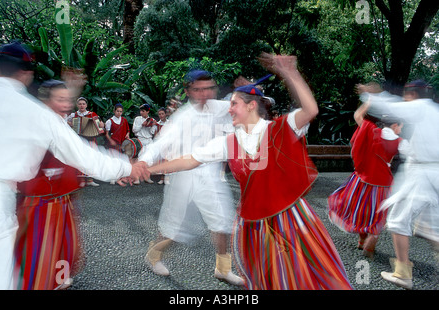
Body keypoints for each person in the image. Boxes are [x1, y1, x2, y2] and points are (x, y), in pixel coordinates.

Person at [144, 53, 353, 290]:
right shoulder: (228, 141)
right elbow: (190, 159)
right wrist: (147, 168)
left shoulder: (279, 129)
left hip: (289, 220)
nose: (228, 108)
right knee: (268, 279)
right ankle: (164, 257)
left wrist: (289, 73)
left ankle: (222, 269)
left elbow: (310, 109)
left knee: (302, 277)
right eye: (229, 103)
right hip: (252, 226)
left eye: (233, 104)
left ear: (251, 106)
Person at [0, 41, 142, 290]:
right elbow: (83, 155)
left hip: (57, 200)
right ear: (27, 74)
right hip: (25, 202)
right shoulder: (36, 114)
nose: (66, 103)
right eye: (60, 99)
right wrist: (127, 168)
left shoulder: (48, 116)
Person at [135, 69, 243, 286]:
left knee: (222, 221)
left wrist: (246, 90)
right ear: (188, 91)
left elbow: (248, 105)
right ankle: (153, 256)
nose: (204, 94)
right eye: (198, 89)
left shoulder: (221, 107)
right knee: (173, 228)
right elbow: (159, 144)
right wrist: (143, 162)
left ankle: (223, 269)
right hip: (182, 177)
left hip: (211, 175)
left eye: (209, 89)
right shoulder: (181, 117)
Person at [363, 79, 439, 289]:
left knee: (397, 220)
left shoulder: (420, 107)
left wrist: (372, 95)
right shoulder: (436, 111)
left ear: (412, 94)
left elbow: (389, 106)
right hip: (436, 173)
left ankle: (403, 272)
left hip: (421, 173)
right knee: (434, 229)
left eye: (407, 95)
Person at [14, 80, 83, 290]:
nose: (66, 104)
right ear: (45, 101)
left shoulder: (61, 121)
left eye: (68, 99)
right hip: (40, 197)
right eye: (60, 99)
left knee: (65, 243)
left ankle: (59, 277)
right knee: (40, 246)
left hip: (62, 194)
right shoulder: (35, 123)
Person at [328, 92, 404, 259]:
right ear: (395, 125)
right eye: (400, 126)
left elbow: (357, 115)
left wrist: (369, 101)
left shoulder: (370, 129)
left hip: (362, 180)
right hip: (383, 183)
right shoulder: (399, 141)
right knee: (377, 216)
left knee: (362, 211)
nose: (401, 129)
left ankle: (362, 241)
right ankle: (370, 245)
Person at [67, 97, 105, 187]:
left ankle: (90, 179)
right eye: (80, 104)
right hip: (79, 139)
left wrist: (101, 125)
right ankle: (81, 180)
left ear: (86, 105)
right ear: (77, 105)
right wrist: (70, 124)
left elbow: (100, 127)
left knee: (90, 159)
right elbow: (64, 122)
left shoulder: (92, 114)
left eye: (83, 104)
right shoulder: (73, 115)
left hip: (91, 140)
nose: (82, 105)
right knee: (80, 159)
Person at [104, 103, 131, 184]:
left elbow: (128, 130)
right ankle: (113, 177)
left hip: (122, 144)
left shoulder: (124, 120)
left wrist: (127, 134)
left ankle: (120, 177)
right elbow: (106, 133)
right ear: (114, 111)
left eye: (120, 111)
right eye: (117, 111)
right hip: (114, 144)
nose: (119, 113)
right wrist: (110, 140)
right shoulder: (110, 121)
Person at [132, 104, 157, 184]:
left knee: (149, 160)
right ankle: (136, 178)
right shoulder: (137, 119)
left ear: (147, 111)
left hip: (149, 140)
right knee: (139, 159)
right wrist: (142, 125)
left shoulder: (152, 119)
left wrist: (152, 125)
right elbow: (134, 130)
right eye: (141, 111)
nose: (141, 112)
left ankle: (147, 177)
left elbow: (152, 132)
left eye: (143, 111)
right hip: (141, 140)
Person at [156, 107, 170, 185]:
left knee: (167, 160)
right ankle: (162, 178)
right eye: (159, 114)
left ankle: (167, 178)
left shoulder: (169, 123)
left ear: (165, 114)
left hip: (168, 143)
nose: (161, 115)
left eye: (162, 114)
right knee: (161, 160)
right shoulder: (157, 124)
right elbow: (156, 134)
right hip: (161, 143)